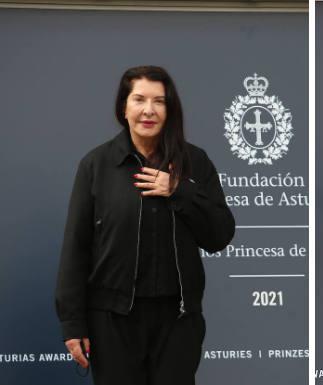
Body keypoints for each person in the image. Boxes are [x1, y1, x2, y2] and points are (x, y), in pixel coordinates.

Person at [55, 65, 235, 385]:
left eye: (159, 101)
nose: (148, 110)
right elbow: (76, 248)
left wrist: (179, 190)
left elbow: (220, 235)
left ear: (170, 109)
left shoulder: (196, 162)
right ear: (124, 107)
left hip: (178, 320)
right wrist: (73, 323)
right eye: (139, 99)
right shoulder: (96, 165)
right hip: (112, 321)